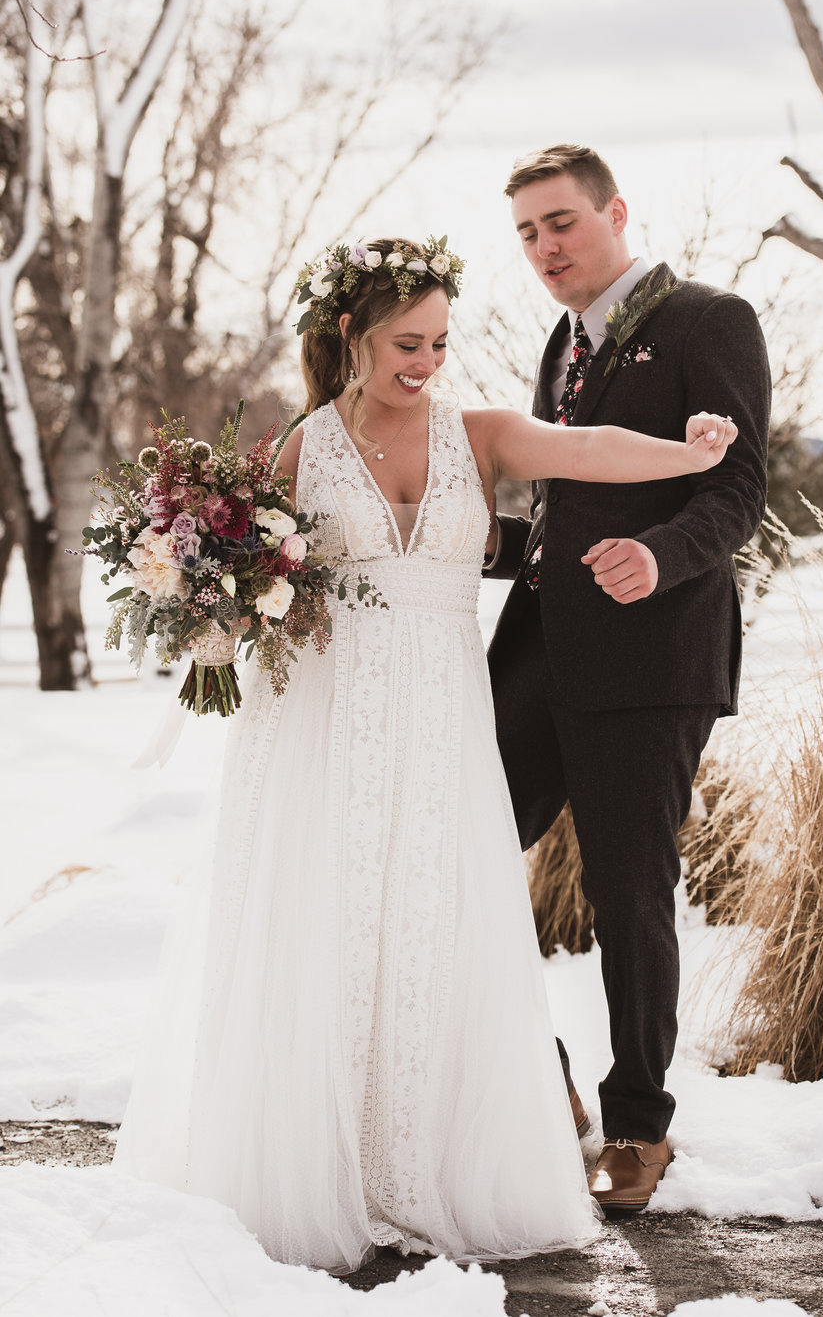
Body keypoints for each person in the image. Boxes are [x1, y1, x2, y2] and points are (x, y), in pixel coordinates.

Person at [113, 232, 738, 1273]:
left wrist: (690, 454)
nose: (428, 361)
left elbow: (585, 450)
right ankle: (320, 1163)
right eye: (409, 341)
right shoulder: (291, 453)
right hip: (326, 720)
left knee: (432, 916)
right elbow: (230, 577)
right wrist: (212, 610)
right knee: (331, 915)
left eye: (441, 341)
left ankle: (430, 1158)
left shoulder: (476, 433)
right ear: (351, 337)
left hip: (443, 720)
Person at [485, 145, 771, 1215]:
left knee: (625, 890)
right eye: (525, 232)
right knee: (455, 850)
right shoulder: (560, 342)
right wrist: (470, 541)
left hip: (653, 658)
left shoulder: (708, 319)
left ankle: (638, 1122)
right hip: (535, 650)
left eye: (559, 223)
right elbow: (570, 506)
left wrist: (661, 556)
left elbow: (738, 486)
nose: (543, 248)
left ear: (613, 211)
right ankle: (541, 1076)